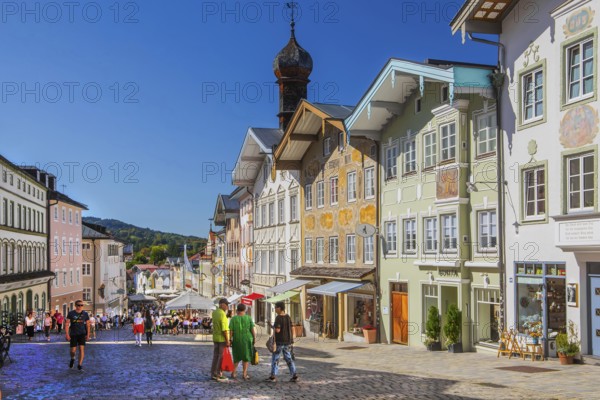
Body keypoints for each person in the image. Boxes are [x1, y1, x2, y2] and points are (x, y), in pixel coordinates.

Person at [266, 301, 298, 382]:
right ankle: (294, 375)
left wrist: (272, 326)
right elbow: (292, 327)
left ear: (279, 308)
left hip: (279, 342)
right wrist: (292, 338)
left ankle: (273, 376)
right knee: (288, 358)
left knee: (275, 359)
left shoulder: (278, 318)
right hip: (287, 341)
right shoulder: (288, 317)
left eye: (276, 307)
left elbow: (277, 330)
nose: (275, 309)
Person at [229, 303, 256, 380]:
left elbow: (231, 330)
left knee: (236, 356)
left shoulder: (233, 319)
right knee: (246, 357)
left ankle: (233, 373)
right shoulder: (248, 318)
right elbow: (252, 329)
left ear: (237, 310)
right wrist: (254, 338)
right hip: (247, 339)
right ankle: (244, 374)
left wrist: (230, 339)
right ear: (244, 310)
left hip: (237, 339)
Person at [65, 300, 90, 371]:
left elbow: (88, 325)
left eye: (81, 305)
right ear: (75, 306)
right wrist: (67, 334)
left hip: (82, 333)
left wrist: (88, 334)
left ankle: (79, 365)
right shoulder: (71, 313)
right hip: (73, 334)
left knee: (81, 349)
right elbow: (67, 324)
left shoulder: (85, 314)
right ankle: (72, 358)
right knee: (73, 350)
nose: (80, 306)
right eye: (78, 305)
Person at [210, 298, 231, 382]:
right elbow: (224, 330)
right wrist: (228, 340)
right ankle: (218, 374)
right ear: (222, 304)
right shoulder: (222, 314)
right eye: (226, 305)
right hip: (222, 338)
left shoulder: (214, 313)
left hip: (215, 337)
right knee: (221, 356)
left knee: (215, 356)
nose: (227, 307)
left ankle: (213, 373)